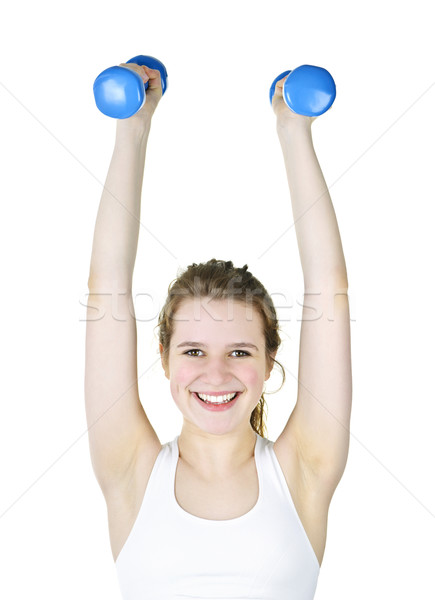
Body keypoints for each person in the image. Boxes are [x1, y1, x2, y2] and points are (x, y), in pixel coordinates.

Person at [85, 62, 352, 600]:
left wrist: (293, 129)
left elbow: (329, 288)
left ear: (271, 361)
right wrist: (131, 129)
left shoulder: (304, 468)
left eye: (239, 350)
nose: (216, 372)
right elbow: (106, 290)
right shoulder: (130, 472)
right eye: (193, 350)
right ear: (163, 358)